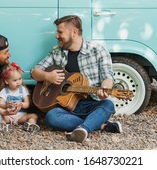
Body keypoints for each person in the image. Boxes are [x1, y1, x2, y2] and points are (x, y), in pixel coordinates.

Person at [31, 15, 122, 143]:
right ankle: (100, 125)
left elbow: (107, 76)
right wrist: (47, 76)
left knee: (108, 104)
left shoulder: (98, 50)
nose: (56, 36)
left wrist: (105, 88)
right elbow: (34, 72)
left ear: (74, 32)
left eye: (60, 32)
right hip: (67, 107)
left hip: (92, 103)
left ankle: (83, 129)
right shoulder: (56, 52)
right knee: (51, 116)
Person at [0, 62, 40, 132]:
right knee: (0, 115)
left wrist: (21, 104)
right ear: (6, 81)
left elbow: (27, 104)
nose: (18, 82)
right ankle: (3, 125)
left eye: (20, 79)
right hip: (8, 115)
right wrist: (6, 105)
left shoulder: (22, 89)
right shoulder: (4, 91)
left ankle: (30, 125)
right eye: (15, 80)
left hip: (21, 116)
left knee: (34, 116)